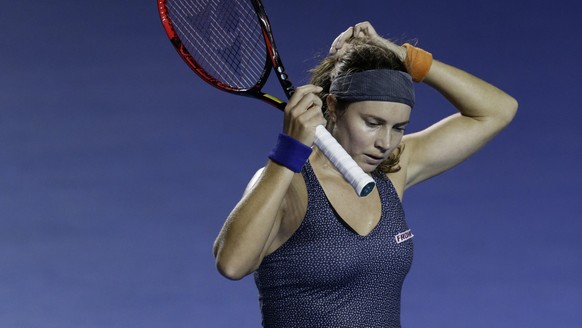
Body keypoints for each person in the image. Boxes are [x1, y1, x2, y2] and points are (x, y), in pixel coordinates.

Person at [212, 22, 518, 327]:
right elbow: (232, 264)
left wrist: (401, 56)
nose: (385, 143)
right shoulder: (289, 182)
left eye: (398, 128)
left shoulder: (394, 170)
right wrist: (288, 152)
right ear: (332, 106)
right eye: (372, 123)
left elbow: (497, 110)